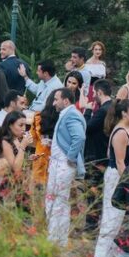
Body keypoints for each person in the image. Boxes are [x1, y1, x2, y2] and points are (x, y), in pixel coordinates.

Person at [94, 99, 129, 257]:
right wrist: (128, 184)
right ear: (124, 113)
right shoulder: (120, 132)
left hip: (119, 175)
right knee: (111, 219)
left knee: (117, 219)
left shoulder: (126, 129)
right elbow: (120, 162)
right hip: (116, 176)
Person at [47, 88, 86, 245]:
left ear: (66, 101)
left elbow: (79, 137)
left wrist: (70, 156)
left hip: (63, 164)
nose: (54, 102)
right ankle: (57, 238)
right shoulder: (68, 114)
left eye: (56, 99)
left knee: (57, 202)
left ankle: (55, 239)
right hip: (59, 162)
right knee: (58, 201)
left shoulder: (72, 115)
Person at [85, 79, 115, 170]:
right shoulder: (113, 106)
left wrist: (88, 111)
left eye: (94, 92)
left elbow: (86, 127)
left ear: (99, 92)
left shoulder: (103, 110)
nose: (93, 96)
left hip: (99, 154)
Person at [0, 111, 33, 182]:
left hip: (19, 183)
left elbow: (19, 161)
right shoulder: (5, 142)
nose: (24, 128)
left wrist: (29, 159)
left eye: (25, 125)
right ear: (10, 125)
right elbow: (15, 169)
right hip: (8, 184)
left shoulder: (17, 139)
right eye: (21, 125)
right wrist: (23, 146)